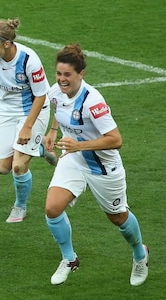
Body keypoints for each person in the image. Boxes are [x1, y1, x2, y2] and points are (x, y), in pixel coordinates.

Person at [43, 44, 148, 286]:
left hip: (103, 167)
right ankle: (69, 259)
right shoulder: (56, 92)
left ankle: (139, 255)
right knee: (52, 208)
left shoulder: (93, 102)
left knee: (118, 218)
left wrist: (79, 145)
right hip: (74, 159)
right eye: (58, 74)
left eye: (67, 75)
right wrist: (52, 130)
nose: (61, 79)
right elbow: (58, 111)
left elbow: (115, 139)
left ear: (81, 74)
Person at [0, 18, 56, 224]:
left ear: (7, 44)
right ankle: (41, 148)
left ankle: (20, 207)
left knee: (17, 167)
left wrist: (27, 127)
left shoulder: (29, 60)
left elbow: (41, 95)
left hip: (32, 111)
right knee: (2, 168)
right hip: (4, 110)